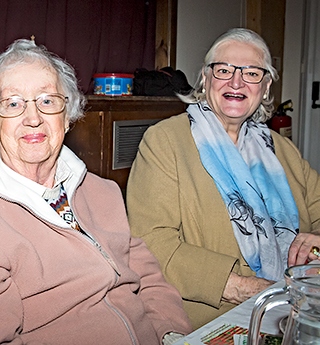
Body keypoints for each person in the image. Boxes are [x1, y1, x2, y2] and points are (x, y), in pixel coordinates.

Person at [0, 38, 192, 344]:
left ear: (67, 117)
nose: (33, 118)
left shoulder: (102, 192)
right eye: (12, 103)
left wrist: (171, 333)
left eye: (48, 100)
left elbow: (148, 278)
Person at [127, 28, 320, 329]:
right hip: (214, 318)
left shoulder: (283, 150)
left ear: (266, 86)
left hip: (296, 310)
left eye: (252, 73)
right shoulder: (165, 141)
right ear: (205, 79)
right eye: (224, 70)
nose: (236, 82)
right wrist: (250, 289)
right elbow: (152, 244)